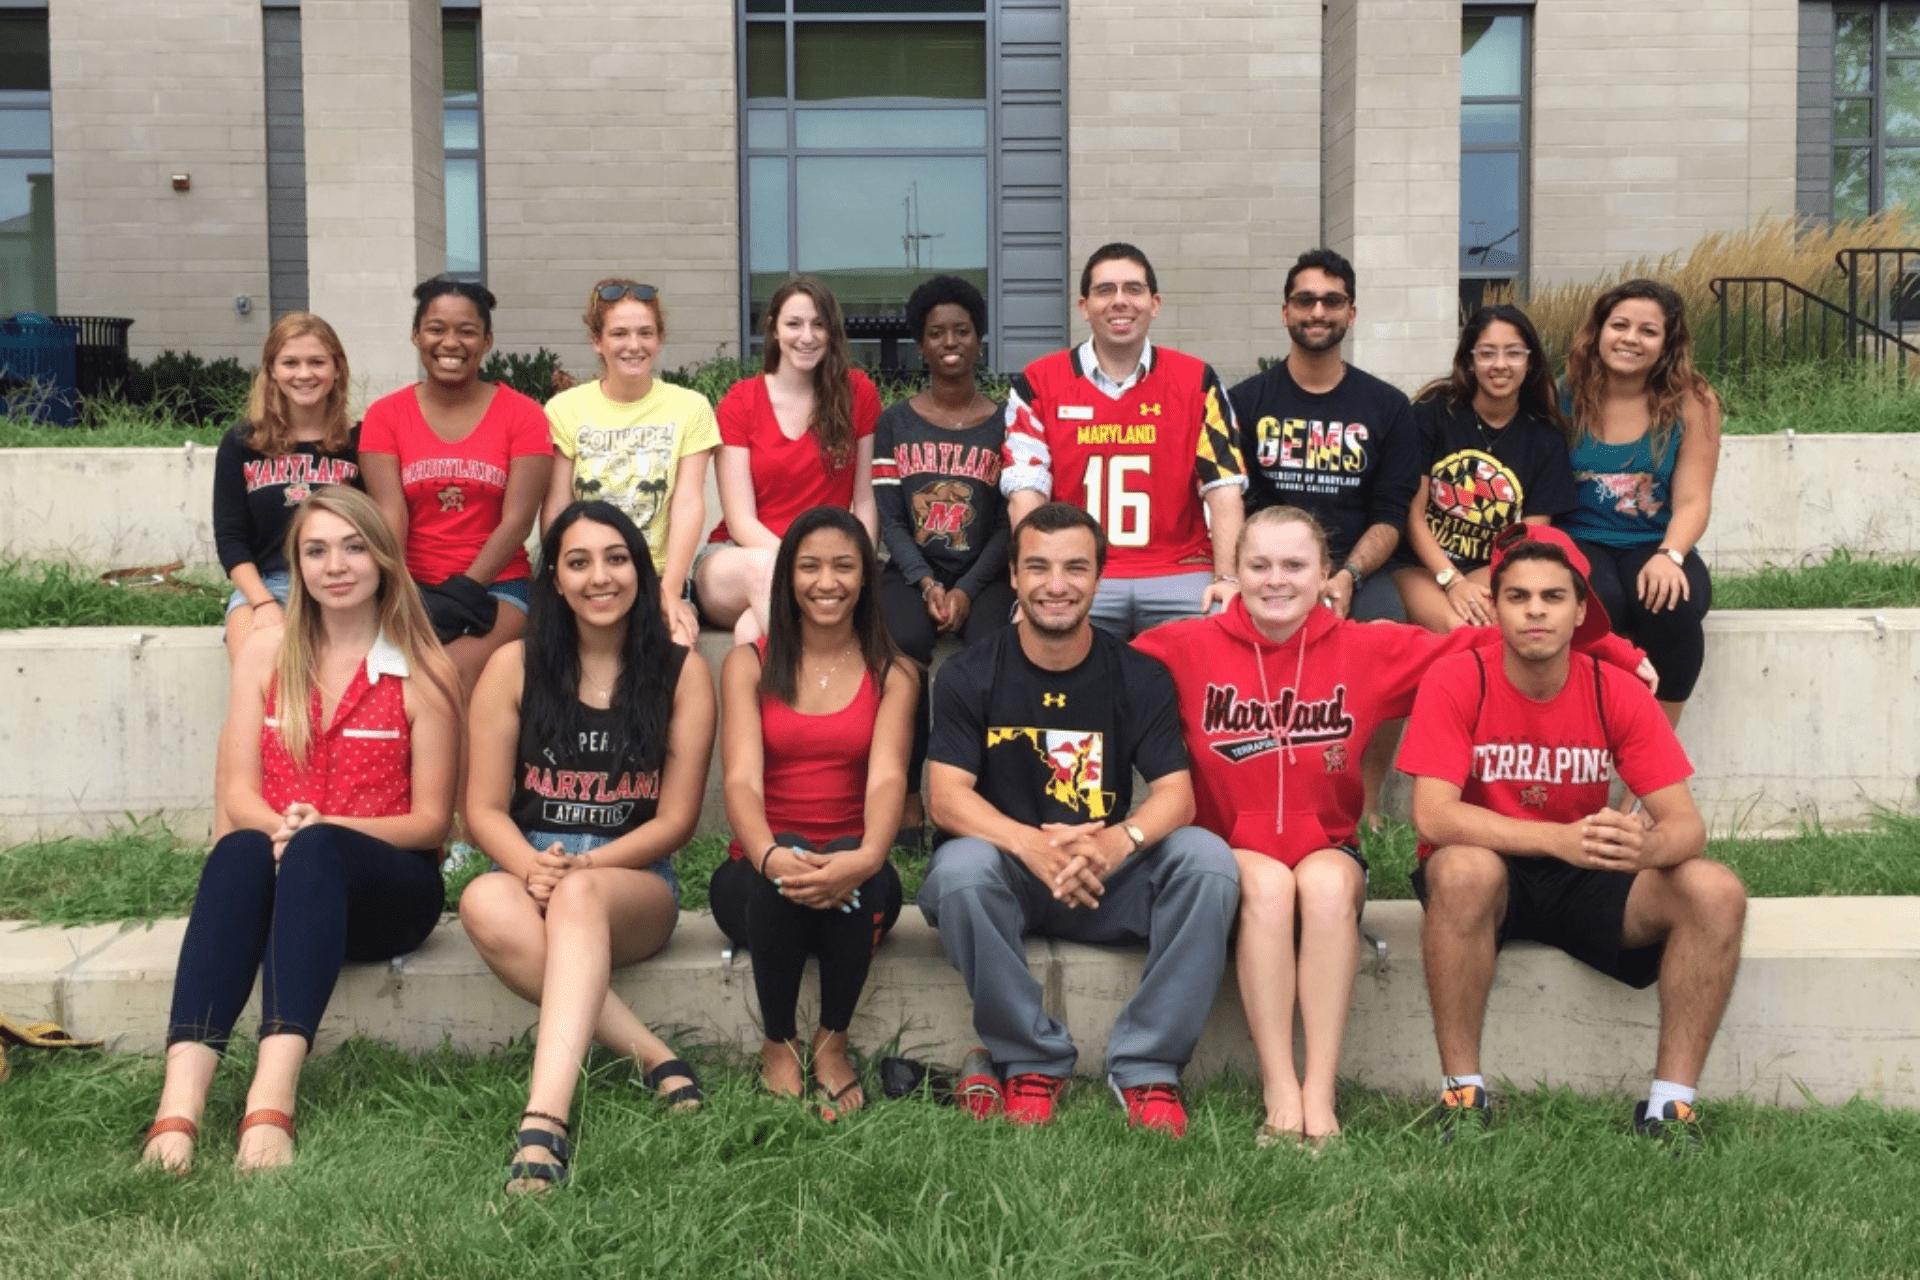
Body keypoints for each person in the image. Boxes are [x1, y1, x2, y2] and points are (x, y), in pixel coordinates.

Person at [1134, 506, 1651, 1148]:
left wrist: (1614, 649)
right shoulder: (1181, 647)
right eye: (1258, 565)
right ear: (1232, 572)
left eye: (1294, 565)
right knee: (1267, 886)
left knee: (1323, 888)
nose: (1275, 580)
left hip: (1327, 846)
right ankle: (1279, 1091)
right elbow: (1094, 668)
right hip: (1232, 851)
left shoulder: (1366, 648)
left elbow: (1502, 637)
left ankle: (1320, 1096)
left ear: (1326, 572)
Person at [141, 487, 460, 1173]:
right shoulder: (266, 654)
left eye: (352, 547)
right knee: (238, 849)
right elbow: (237, 793)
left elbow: (432, 821)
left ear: (382, 558)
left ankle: (271, 1097)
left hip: (388, 891)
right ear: (298, 563)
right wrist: (288, 831)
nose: (335, 565)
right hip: (284, 868)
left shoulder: (424, 669)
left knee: (311, 846)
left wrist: (320, 828)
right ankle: (179, 1106)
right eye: (316, 550)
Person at [1398, 524, 1746, 1146]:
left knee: (1715, 890)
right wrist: (1556, 839)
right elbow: (1434, 816)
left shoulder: (1612, 689)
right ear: (1495, 607)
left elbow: (1685, 825)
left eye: (1554, 597)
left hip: (1586, 872)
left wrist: (1649, 848)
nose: (1535, 611)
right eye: (1518, 596)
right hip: (1491, 872)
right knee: (1461, 869)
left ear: (1582, 609)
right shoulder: (1457, 679)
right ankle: (1463, 1097)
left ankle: (1671, 1109)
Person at [918, 502, 1240, 1138]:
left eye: (1074, 568)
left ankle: (1147, 1064)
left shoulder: (1139, 675)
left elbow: (1177, 796)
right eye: (1037, 567)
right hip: (1005, 879)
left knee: (1207, 861)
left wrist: (1118, 844)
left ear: (1099, 578)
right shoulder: (969, 674)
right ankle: (1029, 1058)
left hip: (1103, 880)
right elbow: (946, 798)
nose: (1056, 584)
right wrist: (1029, 846)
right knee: (959, 870)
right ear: (1012, 576)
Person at [457, 501, 716, 1193]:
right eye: (578, 562)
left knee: (577, 894)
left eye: (615, 558)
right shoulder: (513, 667)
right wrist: (528, 865)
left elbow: (678, 820)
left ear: (639, 568)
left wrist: (584, 866)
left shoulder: (682, 672)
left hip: (632, 883)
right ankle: (656, 1056)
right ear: (557, 582)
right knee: (481, 897)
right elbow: (481, 808)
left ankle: (543, 1124)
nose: (600, 577)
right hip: (530, 869)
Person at [707, 506, 916, 1119]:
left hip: (860, 872)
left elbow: (888, 779)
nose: (827, 582)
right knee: (795, 849)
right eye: (810, 567)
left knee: (851, 867)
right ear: (787, 579)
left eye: (844, 567)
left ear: (865, 580)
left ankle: (832, 1044)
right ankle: (779, 1042)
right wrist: (772, 856)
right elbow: (741, 781)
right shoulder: (749, 663)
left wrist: (866, 856)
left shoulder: (895, 672)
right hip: (755, 878)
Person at [1000, 243, 1246, 637]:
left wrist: (1230, 579)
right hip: (1078, 571)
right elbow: (1026, 494)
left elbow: (1224, 491)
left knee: (1225, 635)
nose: (1120, 301)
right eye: (1105, 291)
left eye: (1133, 289)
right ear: (1084, 306)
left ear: (1155, 303)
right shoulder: (1040, 382)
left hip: (1180, 571)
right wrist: (1039, 578)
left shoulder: (1196, 380)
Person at [360, 277, 554, 698]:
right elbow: (389, 512)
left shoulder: (524, 416)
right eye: (436, 328)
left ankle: (467, 769)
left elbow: (518, 521)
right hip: (412, 584)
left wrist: (464, 590)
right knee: (388, 675)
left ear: (486, 341)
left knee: (451, 672)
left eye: (467, 331)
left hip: (499, 585)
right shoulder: (385, 416)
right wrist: (400, 594)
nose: (451, 342)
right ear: (416, 335)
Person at [210, 313, 362, 837]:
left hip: (340, 587)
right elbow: (230, 540)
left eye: (317, 362)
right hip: (266, 588)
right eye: (290, 362)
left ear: (337, 369)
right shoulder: (242, 445)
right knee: (250, 702)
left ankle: (320, 827)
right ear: (271, 371)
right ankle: (230, 843)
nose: (304, 373)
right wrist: (265, 607)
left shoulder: (356, 445)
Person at [874, 274, 1014, 837]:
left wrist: (965, 589)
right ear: (921, 343)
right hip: (911, 572)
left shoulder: (1008, 420)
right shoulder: (895, 422)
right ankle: (907, 796)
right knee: (903, 643)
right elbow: (890, 517)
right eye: (936, 332)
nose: (950, 341)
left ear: (980, 340)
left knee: (991, 651)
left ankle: (969, 797)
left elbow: (1008, 523)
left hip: (986, 573)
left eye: (962, 330)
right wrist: (927, 583)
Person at [1560, 278, 1722, 727]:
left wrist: (1671, 556)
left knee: (1672, 604)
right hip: (1580, 537)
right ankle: (1583, 739)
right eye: (1620, 325)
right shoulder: (1562, 396)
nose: (1630, 339)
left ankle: (1654, 756)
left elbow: (1693, 499)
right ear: (1598, 332)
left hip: (1654, 540)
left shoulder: (1694, 401)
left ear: (1667, 344)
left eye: (1648, 331)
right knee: (1597, 602)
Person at [1228, 247, 1418, 624]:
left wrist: (1348, 575)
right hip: (1270, 566)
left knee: (1383, 638)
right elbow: (1238, 503)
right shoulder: (1244, 402)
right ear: (1285, 312)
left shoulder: (1390, 407)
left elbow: (1390, 514)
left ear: (1351, 313)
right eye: (1305, 300)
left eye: (1332, 301)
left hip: (1358, 569)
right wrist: (1283, 571)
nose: (1317, 312)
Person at [694, 277, 881, 644]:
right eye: (794, 324)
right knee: (765, 572)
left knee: (751, 629)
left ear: (832, 331)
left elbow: (864, 501)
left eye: (819, 324)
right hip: (741, 558)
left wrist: (859, 563)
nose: (807, 336)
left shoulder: (857, 393)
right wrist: (805, 563)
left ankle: (787, 699)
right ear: (773, 329)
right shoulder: (740, 402)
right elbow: (740, 520)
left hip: (827, 559)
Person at [543, 279, 720, 646]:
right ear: (598, 341)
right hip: (587, 576)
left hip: (655, 575)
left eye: (646, 333)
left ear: (659, 338)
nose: (634, 345)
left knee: (677, 647)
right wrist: (559, 580)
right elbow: (558, 505)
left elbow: (688, 502)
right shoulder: (565, 409)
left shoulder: (690, 408)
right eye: (619, 333)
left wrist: (669, 590)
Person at [1392, 305, 1579, 633]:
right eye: (1487, 353)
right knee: (1459, 628)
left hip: (1491, 568)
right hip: (1418, 565)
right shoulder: (1432, 413)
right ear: (1469, 360)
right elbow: (1412, 516)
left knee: (1495, 627)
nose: (1500, 365)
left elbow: (1528, 538)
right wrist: (1453, 581)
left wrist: (1474, 583)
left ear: (1530, 361)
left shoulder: (1546, 438)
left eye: (1514, 353)